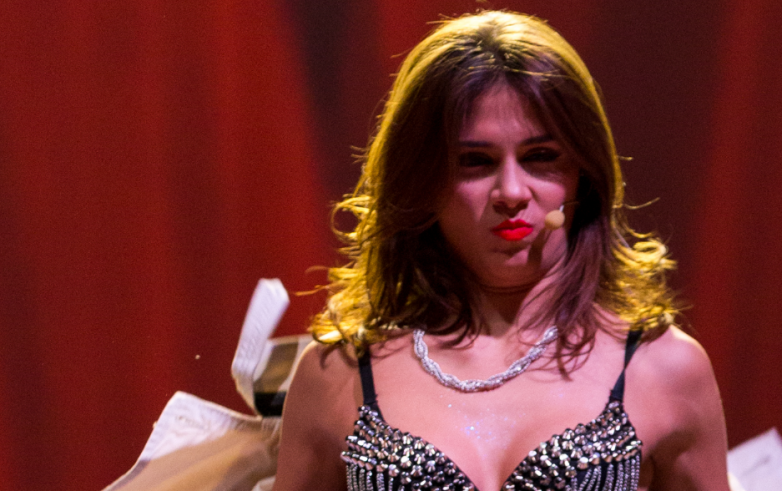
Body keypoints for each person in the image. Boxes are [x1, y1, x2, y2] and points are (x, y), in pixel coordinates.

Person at [273, 10, 730, 491]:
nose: (511, 191)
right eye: (475, 161)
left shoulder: (664, 369)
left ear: (584, 173)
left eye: (541, 157)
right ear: (421, 181)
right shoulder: (336, 375)